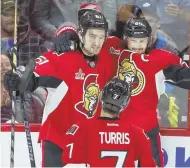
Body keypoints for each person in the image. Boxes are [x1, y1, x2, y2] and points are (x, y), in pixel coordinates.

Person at [52, 15, 190, 166]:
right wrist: (66, 33)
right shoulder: (111, 49)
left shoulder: (159, 60)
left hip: (145, 132)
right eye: (134, 40)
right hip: (110, 131)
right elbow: (87, 34)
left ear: (149, 40)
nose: (138, 46)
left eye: (142, 41)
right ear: (126, 38)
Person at [4, 9, 115, 167]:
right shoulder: (62, 58)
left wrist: (67, 30)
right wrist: (17, 81)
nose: (97, 43)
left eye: (101, 36)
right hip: (58, 141)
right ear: (81, 34)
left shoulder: (106, 56)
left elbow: (131, 44)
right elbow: (32, 76)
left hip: (90, 140)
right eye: (92, 36)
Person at [62, 77, 157, 167]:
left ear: (101, 96)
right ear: (125, 105)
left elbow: (72, 165)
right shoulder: (139, 135)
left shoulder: (80, 129)